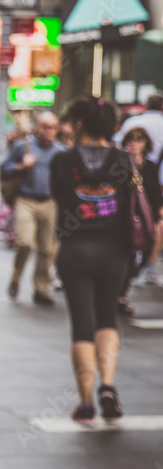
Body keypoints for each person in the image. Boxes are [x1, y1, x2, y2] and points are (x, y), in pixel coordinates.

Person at [51, 97, 132, 423]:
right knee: (107, 319)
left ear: (80, 123)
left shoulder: (62, 160)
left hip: (75, 250)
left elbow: (58, 196)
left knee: (82, 325)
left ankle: (85, 403)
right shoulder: (123, 159)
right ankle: (108, 386)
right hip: (114, 251)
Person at [0, 112, 67, 306]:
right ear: (37, 128)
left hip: (50, 203)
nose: (49, 131)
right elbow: (4, 168)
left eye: (53, 127)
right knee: (24, 242)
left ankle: (41, 289)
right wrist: (21, 165)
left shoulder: (60, 151)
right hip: (25, 200)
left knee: (46, 249)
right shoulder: (23, 146)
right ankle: (16, 278)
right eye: (45, 127)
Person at [117, 127, 163, 312]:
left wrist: (159, 216)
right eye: (131, 139)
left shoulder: (150, 166)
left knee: (149, 251)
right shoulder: (120, 164)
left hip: (146, 217)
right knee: (126, 255)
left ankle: (123, 287)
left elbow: (155, 194)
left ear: (145, 143)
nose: (134, 143)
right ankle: (120, 295)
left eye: (139, 139)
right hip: (125, 217)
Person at [114, 93, 163, 180]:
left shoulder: (131, 122)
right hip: (157, 175)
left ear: (146, 105)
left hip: (130, 171)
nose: (134, 143)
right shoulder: (132, 122)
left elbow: (118, 143)